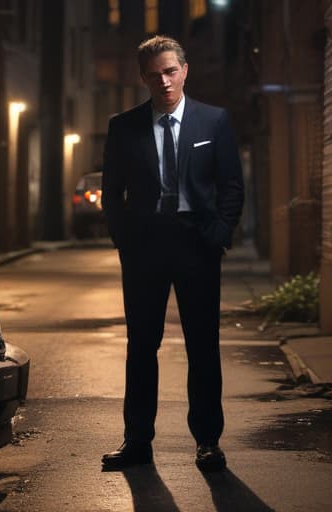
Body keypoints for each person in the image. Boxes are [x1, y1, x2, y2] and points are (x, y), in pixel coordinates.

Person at [101, 35, 244, 472]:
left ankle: (208, 442)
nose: (163, 80)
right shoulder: (123, 127)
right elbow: (111, 193)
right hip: (145, 247)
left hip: (197, 244)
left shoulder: (213, 121)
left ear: (184, 70)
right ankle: (137, 441)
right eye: (154, 74)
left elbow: (231, 185)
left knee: (203, 345)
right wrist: (124, 240)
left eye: (170, 70)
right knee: (142, 345)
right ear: (143, 78)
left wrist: (219, 233)